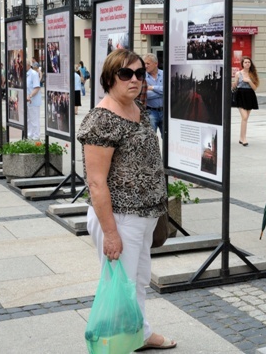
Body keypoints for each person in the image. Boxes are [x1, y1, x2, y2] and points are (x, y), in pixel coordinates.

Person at [77, 48, 177, 351]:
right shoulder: (101, 120)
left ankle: (139, 334)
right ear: (110, 78)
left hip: (144, 215)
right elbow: (96, 182)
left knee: (138, 280)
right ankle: (117, 342)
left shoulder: (138, 109)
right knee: (121, 284)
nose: (135, 79)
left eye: (139, 73)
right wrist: (110, 233)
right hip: (120, 217)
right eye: (126, 74)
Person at [232, 56, 260, 146]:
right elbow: (235, 86)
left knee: (245, 118)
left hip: (249, 95)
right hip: (240, 95)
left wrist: (249, 81)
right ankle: (244, 138)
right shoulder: (238, 74)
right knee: (244, 117)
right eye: (245, 62)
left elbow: (255, 88)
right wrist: (233, 84)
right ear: (242, 64)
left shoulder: (253, 74)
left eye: (249, 62)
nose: (247, 64)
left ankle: (241, 137)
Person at [144, 53, 164, 136]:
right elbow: (145, 95)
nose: (145, 66)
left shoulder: (164, 74)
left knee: (167, 139)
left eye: (148, 63)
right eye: (144, 63)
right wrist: (162, 92)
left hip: (165, 112)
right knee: (151, 140)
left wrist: (152, 88)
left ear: (156, 64)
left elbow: (169, 90)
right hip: (151, 112)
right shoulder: (142, 77)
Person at [26, 60, 42, 139]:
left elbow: (37, 87)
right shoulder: (25, 74)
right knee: (29, 120)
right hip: (27, 102)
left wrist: (30, 95)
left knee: (34, 120)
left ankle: (36, 137)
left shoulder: (33, 74)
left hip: (33, 101)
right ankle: (30, 136)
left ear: (28, 65)